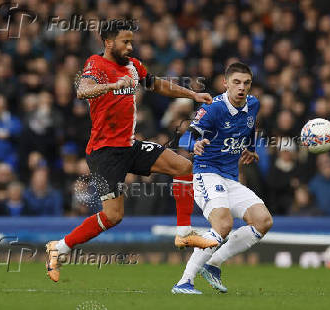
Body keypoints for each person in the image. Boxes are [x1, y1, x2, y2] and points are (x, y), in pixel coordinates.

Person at [45, 19, 216, 282]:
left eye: (131, 41)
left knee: (183, 167)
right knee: (113, 216)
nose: (130, 46)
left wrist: (192, 95)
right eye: (125, 41)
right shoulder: (96, 64)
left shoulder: (133, 65)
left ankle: (183, 233)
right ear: (108, 42)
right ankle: (60, 247)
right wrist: (111, 86)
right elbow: (82, 90)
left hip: (129, 144)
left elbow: (157, 84)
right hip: (104, 152)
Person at [171, 63, 273, 294]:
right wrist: (194, 144)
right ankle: (184, 281)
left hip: (230, 177)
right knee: (223, 224)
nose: (242, 87)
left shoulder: (253, 104)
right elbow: (186, 137)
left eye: (246, 83)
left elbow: (248, 128)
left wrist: (251, 148)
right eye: (236, 82)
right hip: (206, 173)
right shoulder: (213, 108)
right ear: (225, 83)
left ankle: (213, 263)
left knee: (263, 220)